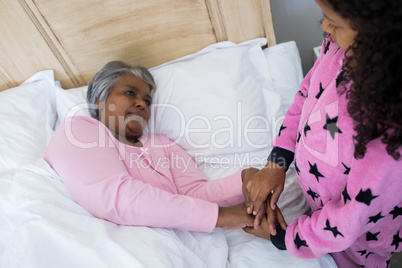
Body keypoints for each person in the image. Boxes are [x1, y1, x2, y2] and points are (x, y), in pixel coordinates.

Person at [242, 0, 402, 267]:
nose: (324, 26)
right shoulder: (337, 46)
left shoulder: (389, 133)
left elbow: (348, 221)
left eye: (335, 23)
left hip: (360, 242)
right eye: (324, 16)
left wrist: (284, 238)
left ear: (380, 35)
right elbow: (306, 94)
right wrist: (277, 161)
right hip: (321, 211)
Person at [44, 61, 255, 233]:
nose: (142, 104)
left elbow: (195, 195)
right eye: (130, 93)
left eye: (147, 100)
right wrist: (220, 216)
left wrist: (247, 179)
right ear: (100, 99)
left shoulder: (163, 144)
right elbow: (117, 198)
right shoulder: (77, 130)